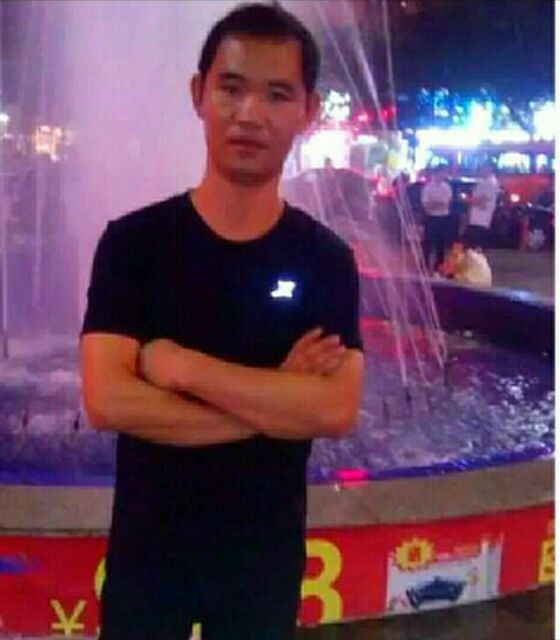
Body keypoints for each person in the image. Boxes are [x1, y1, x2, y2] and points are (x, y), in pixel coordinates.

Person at [80, 4, 364, 639]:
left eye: (277, 95)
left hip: (262, 564)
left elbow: (335, 408)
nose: (249, 114)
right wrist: (276, 399)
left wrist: (184, 368)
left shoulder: (325, 259)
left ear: (308, 111)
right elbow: (107, 400)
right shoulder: (134, 243)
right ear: (198, 94)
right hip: (148, 561)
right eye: (231, 88)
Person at [420, 164, 453, 274]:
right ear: (436, 174)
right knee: (427, 244)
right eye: (441, 173)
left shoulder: (447, 187)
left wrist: (434, 203)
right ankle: (424, 267)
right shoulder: (428, 188)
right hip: (431, 218)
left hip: (443, 219)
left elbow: (446, 203)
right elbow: (426, 205)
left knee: (441, 245)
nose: (443, 175)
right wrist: (437, 204)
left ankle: (439, 269)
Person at [463, 163, 500, 251]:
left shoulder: (491, 183)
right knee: (471, 246)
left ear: (489, 169)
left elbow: (481, 199)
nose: (480, 171)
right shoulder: (483, 182)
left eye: (483, 169)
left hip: (481, 220)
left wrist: (467, 199)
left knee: (475, 246)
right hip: (476, 219)